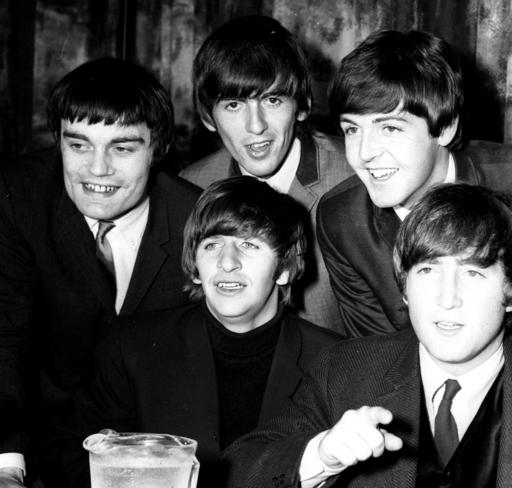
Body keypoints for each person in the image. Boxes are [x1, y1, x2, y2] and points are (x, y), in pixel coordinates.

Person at [222, 183, 512, 488]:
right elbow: (238, 471)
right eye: (427, 271)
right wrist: (321, 455)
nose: (447, 298)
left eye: (473, 272)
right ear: (404, 287)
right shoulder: (345, 370)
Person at [316, 30, 512, 374]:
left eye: (390, 128)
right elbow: (381, 365)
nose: (364, 153)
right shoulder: (340, 218)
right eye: (352, 129)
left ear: (444, 127)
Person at [40, 176, 343, 488]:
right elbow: (69, 454)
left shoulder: (335, 362)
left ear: (285, 268)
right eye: (212, 245)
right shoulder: (132, 346)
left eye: (248, 244)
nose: (227, 262)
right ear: (196, 265)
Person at [0, 58, 201, 487]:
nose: (96, 169)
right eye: (79, 145)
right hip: (37, 446)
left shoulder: (196, 217)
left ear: (157, 148)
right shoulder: (18, 197)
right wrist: (7, 467)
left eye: (122, 148)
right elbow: (5, 337)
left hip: (158, 455)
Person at [180, 15, 354, 333]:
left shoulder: (356, 175)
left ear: (301, 105)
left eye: (272, 100)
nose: (256, 126)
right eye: (234, 105)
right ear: (208, 116)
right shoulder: (189, 189)